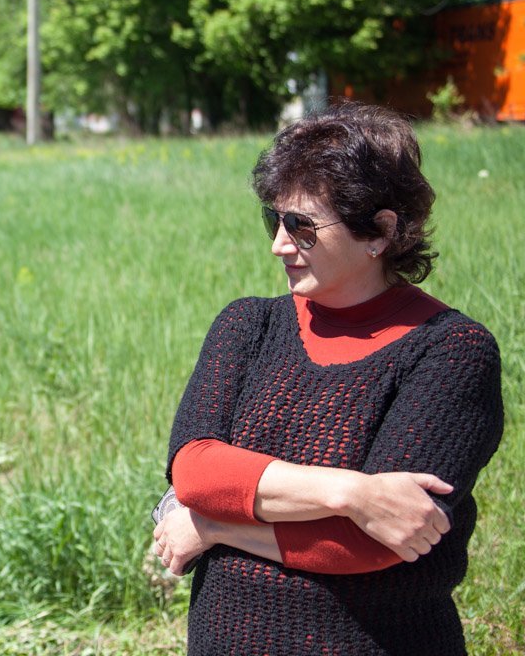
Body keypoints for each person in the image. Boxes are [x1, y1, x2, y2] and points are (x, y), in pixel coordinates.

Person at [152, 102, 503, 655]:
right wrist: (350, 490)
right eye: (275, 220)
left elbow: (375, 541)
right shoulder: (247, 325)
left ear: (379, 232)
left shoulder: (452, 351)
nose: (279, 244)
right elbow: (195, 472)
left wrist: (217, 527)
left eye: (302, 226)